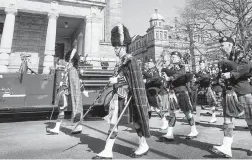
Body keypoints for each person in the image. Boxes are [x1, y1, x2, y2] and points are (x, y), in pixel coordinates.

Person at [93, 23, 151, 159]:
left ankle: (143, 145)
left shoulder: (131, 60)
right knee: (113, 123)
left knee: (137, 123)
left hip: (129, 98)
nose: (115, 50)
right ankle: (108, 151)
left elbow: (135, 81)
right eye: (114, 47)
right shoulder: (121, 61)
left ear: (123, 46)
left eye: (117, 47)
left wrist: (117, 81)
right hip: (118, 97)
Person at [211, 37, 252, 158]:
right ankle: (226, 147)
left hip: (242, 90)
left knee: (250, 120)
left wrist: (231, 74)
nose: (221, 47)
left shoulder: (239, 54)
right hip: (229, 91)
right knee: (227, 119)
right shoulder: (226, 58)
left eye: (223, 45)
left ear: (230, 44)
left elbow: (247, 66)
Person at [160, 51, 199, 141]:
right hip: (172, 92)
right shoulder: (169, 67)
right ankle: (170, 133)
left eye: (174, 57)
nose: (172, 58)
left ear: (179, 58)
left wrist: (170, 77)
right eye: (172, 57)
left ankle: (194, 130)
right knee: (172, 112)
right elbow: (167, 78)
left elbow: (180, 74)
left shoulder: (182, 66)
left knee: (187, 112)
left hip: (181, 91)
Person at [47, 48, 83, 135]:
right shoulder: (69, 69)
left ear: (71, 61)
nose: (66, 62)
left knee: (63, 109)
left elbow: (75, 85)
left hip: (67, 93)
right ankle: (58, 127)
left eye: (67, 61)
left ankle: (59, 128)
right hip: (65, 92)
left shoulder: (72, 70)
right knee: (61, 109)